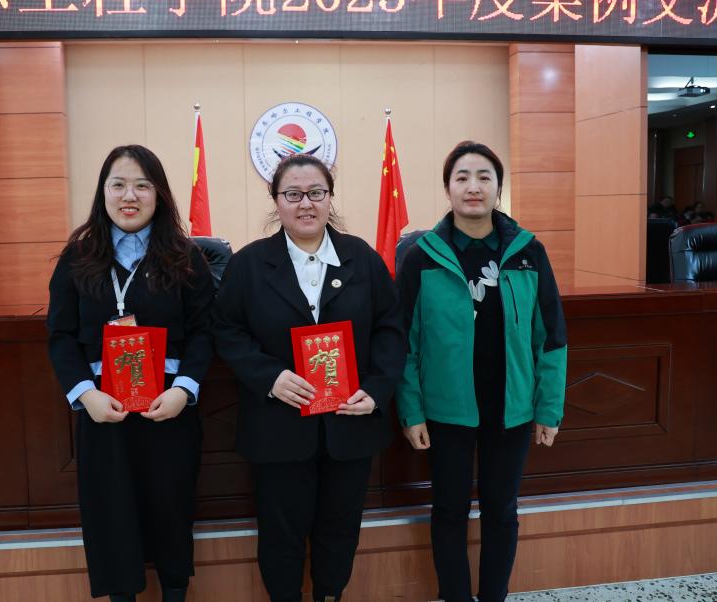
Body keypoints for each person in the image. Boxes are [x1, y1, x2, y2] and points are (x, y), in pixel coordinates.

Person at [212, 154, 404, 602]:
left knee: (340, 528)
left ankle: (330, 595)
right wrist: (269, 376)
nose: (305, 204)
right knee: (280, 532)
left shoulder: (362, 259)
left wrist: (376, 389)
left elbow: (391, 329)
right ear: (275, 200)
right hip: (278, 425)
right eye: (293, 194)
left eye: (316, 193)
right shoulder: (249, 265)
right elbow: (226, 330)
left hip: (350, 422)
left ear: (330, 198)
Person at [396, 141, 567, 602]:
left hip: (511, 408)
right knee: (449, 510)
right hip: (446, 410)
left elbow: (551, 336)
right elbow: (404, 343)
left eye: (484, 177)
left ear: (498, 188)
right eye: (462, 177)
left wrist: (548, 409)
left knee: (502, 510)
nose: (473, 186)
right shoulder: (421, 257)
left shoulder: (529, 252)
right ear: (448, 189)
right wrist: (411, 411)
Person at [46, 144, 215, 602]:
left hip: (168, 406)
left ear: (159, 194)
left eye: (142, 185)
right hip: (104, 408)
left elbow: (204, 332)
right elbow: (60, 335)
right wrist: (85, 394)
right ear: (103, 192)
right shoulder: (78, 257)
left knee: (171, 509)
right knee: (111, 514)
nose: (129, 196)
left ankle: (174, 592)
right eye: (118, 184)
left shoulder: (185, 256)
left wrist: (184, 390)